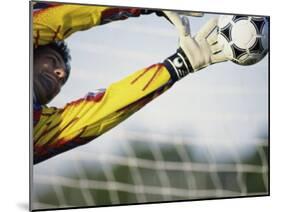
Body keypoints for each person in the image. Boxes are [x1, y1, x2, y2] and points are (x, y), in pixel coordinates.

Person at [33, 2, 227, 164]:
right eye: (52, 61)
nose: (60, 74)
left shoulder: (40, 132)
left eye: (64, 79)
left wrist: (181, 63)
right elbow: (58, 17)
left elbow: (104, 108)